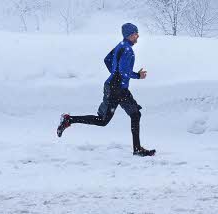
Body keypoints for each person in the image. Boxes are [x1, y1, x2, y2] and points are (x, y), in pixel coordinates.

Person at [56, 22, 155, 156]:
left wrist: (114, 74)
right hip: (117, 89)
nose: (138, 36)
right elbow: (124, 71)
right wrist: (138, 75)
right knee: (125, 116)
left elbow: (107, 60)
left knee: (126, 116)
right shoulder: (127, 50)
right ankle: (137, 149)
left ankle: (69, 120)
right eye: (135, 34)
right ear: (130, 35)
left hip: (115, 87)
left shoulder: (120, 46)